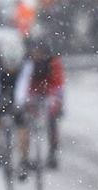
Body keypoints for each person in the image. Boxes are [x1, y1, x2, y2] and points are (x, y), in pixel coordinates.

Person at [15, 38, 65, 177]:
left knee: (52, 120)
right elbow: (24, 82)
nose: (37, 55)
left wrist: (56, 101)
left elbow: (58, 84)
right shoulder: (28, 63)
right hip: (32, 94)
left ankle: (52, 152)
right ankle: (24, 159)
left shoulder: (53, 63)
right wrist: (23, 100)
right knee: (25, 124)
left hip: (49, 93)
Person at [0, 42, 26, 165]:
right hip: (1, 91)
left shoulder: (25, 65)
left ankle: (23, 159)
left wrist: (20, 103)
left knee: (22, 125)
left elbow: (23, 84)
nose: (11, 67)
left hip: (16, 91)